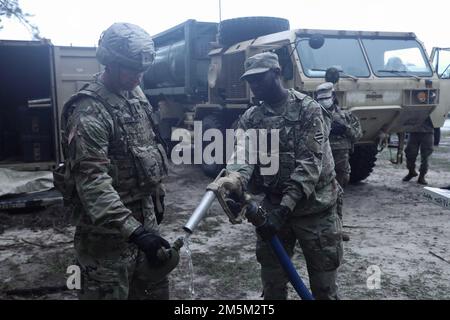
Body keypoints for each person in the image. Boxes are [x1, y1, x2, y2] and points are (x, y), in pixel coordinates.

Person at [54, 22, 173, 299]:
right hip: (106, 239)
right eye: (133, 70)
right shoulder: (89, 110)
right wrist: (136, 232)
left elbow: (147, 146)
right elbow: (93, 181)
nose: (139, 77)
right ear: (111, 63)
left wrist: (154, 201)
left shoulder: (135, 95)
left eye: (143, 70)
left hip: (143, 225)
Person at [221, 52, 343, 300]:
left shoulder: (308, 110)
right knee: (273, 286)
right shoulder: (252, 117)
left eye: (259, 79)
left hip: (314, 210)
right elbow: (243, 156)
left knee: (324, 289)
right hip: (275, 207)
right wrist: (235, 180)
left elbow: (309, 165)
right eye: (250, 80)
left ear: (277, 74)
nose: (253, 85)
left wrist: (283, 210)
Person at [315, 82, 362, 242]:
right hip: (320, 164)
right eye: (320, 99)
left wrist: (344, 128)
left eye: (326, 98)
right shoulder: (312, 115)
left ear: (333, 97)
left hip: (341, 164)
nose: (324, 101)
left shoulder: (346, 116)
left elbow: (358, 135)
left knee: (338, 196)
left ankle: (337, 229)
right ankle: (318, 231)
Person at [403, 116, 434, 185]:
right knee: (409, 153)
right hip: (414, 131)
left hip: (428, 131)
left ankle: (422, 176)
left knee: (425, 156)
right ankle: (411, 172)